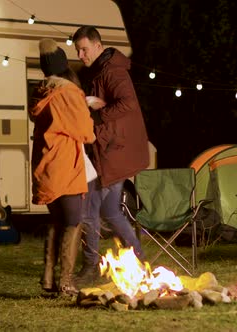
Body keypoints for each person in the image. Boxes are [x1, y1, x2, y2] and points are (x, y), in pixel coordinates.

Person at [72, 26, 150, 286]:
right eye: (78, 50)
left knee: (88, 210)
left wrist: (97, 111)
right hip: (110, 149)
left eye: (84, 49)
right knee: (110, 211)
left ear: (97, 45)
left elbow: (127, 103)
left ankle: (91, 267)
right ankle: (138, 256)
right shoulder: (98, 70)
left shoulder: (113, 71)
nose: (81, 54)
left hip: (114, 151)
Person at [29, 38, 96, 296]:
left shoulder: (42, 91)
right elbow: (86, 132)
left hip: (46, 167)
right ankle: (66, 282)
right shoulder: (68, 93)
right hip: (65, 166)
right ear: (62, 65)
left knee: (57, 221)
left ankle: (48, 278)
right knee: (73, 221)